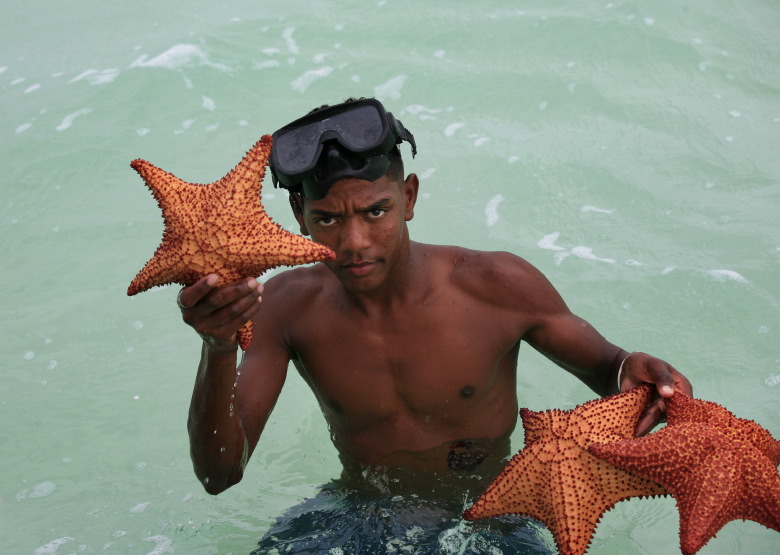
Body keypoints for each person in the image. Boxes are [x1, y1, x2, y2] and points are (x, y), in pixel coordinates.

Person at [178, 98, 692, 552]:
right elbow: (220, 473)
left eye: (376, 211)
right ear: (298, 213)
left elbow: (610, 369)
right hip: (357, 516)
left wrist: (638, 373)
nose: (354, 241)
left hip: (490, 519)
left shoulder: (495, 284)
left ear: (410, 197)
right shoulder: (285, 308)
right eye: (328, 219)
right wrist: (218, 345)